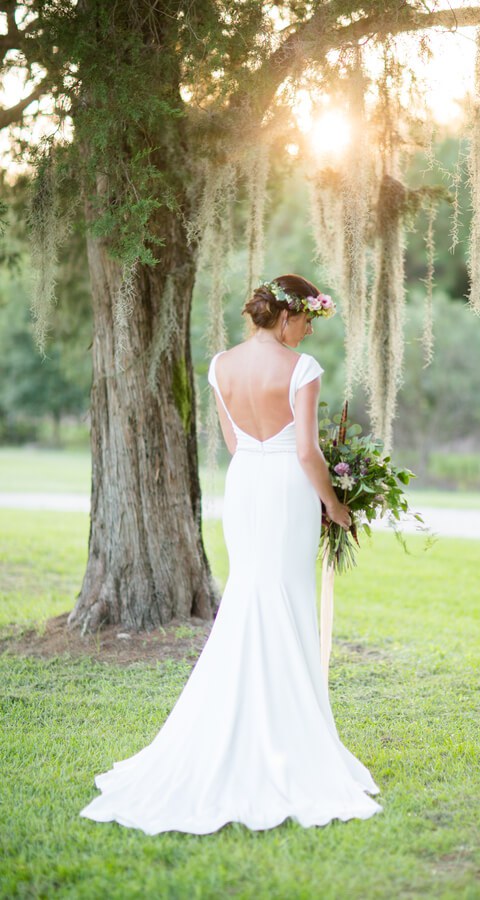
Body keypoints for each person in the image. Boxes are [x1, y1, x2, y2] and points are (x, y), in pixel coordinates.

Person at [78, 274, 382, 835]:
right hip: (290, 487)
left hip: (246, 485)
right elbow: (311, 454)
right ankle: (291, 738)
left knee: (251, 593)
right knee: (286, 599)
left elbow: (238, 444)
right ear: (287, 317)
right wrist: (336, 506)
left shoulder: (220, 365)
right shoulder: (303, 369)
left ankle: (249, 724)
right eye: (307, 320)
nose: (309, 331)